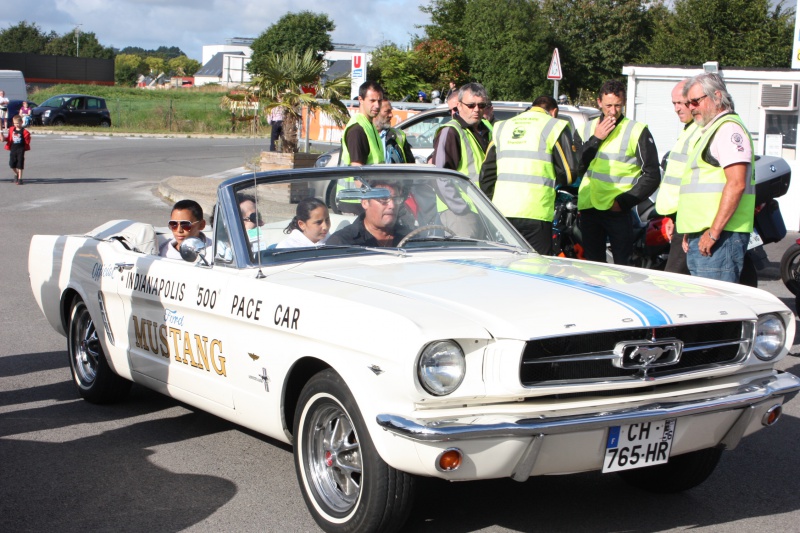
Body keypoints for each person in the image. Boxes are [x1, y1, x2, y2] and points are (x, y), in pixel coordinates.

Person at [677, 73, 755, 283]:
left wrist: (713, 232)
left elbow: (737, 183)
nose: (691, 107)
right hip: (706, 235)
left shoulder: (727, 129)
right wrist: (691, 230)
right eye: (688, 103)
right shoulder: (711, 130)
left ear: (717, 96)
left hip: (720, 238)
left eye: (695, 101)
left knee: (717, 308)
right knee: (706, 308)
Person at [575, 79, 660, 265]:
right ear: (599, 102)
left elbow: (652, 175)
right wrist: (596, 139)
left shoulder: (636, 130)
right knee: (592, 266)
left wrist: (623, 202)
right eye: (608, 106)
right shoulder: (585, 129)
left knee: (624, 266)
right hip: (589, 206)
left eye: (618, 105)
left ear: (624, 103)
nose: (613, 111)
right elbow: (577, 167)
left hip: (618, 210)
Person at [480, 96, 576, 255]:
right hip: (536, 211)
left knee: (505, 264)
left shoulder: (501, 127)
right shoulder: (554, 126)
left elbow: (486, 175)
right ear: (554, 112)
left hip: (502, 212)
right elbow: (569, 174)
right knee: (535, 268)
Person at [430, 82, 493, 235]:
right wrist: (461, 208)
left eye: (481, 105)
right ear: (459, 105)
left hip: (484, 209)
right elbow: (441, 177)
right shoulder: (451, 131)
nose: (476, 110)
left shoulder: (487, 128)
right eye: (471, 105)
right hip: (461, 213)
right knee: (466, 257)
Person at [654, 79, 699, 275]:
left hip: (690, 220)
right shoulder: (688, 131)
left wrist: (687, 222)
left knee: (675, 280)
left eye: (680, 103)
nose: (677, 109)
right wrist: (671, 217)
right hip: (681, 218)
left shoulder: (700, 131)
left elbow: (696, 182)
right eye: (674, 103)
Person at [327, 181, 409, 247]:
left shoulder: (411, 237)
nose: (392, 205)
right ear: (365, 202)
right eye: (384, 198)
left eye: (396, 199)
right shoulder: (342, 242)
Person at [341, 81, 385, 166]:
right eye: (372, 101)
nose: (377, 105)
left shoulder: (369, 125)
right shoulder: (357, 130)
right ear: (361, 100)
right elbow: (357, 172)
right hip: (359, 179)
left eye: (379, 101)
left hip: (373, 179)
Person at [5, 115, 30, 185]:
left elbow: (27, 140)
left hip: (20, 149)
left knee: (20, 163)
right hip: (13, 148)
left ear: (21, 122)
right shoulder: (12, 129)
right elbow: (9, 138)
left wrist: (26, 144)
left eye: (18, 123)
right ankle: (16, 173)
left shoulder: (24, 131)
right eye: (15, 123)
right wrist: (4, 139)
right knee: (12, 164)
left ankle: (20, 179)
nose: (16, 125)